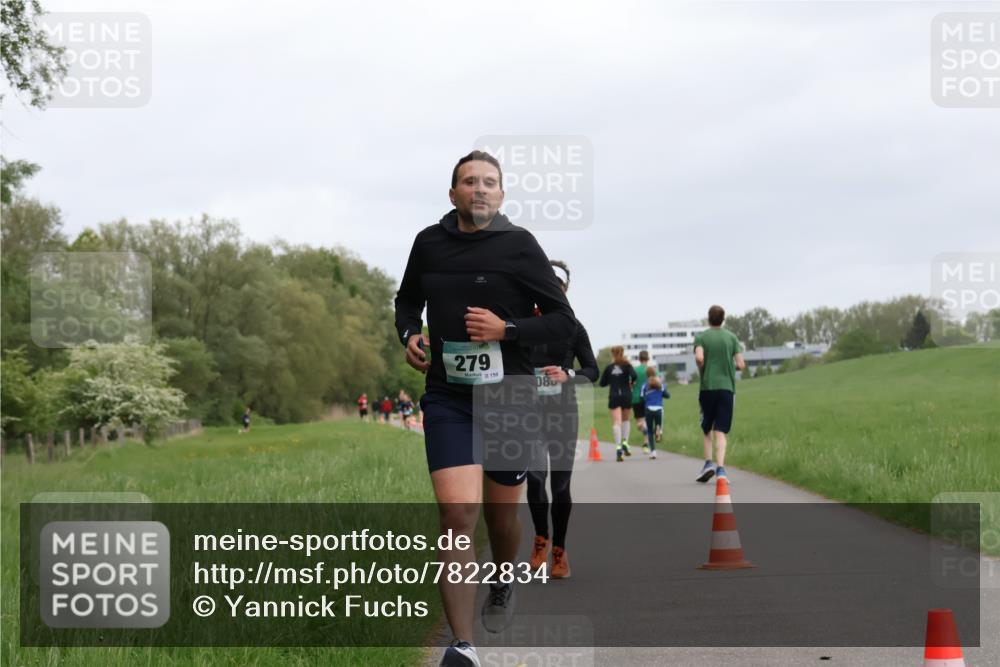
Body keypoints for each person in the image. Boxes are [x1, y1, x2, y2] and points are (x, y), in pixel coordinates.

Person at [394, 150, 576, 667]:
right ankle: (463, 645)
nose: (479, 189)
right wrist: (410, 334)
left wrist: (507, 330)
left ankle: (502, 576)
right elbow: (406, 300)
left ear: (501, 195)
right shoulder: (428, 244)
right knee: (456, 514)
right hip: (449, 395)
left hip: (510, 396)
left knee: (500, 516)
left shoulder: (520, 247)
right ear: (452, 194)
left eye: (489, 183)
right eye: (468, 181)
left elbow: (563, 323)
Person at [526, 260, 598, 580]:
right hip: (528, 411)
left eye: (555, 288)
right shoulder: (523, 324)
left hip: (563, 413)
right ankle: (541, 539)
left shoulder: (573, 327)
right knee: (535, 479)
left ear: (564, 290)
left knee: (560, 484)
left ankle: (560, 551)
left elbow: (593, 371)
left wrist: (567, 374)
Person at [693, 305, 746, 483]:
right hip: (727, 389)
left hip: (707, 388)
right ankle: (721, 470)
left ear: (709, 318)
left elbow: (699, 357)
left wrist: (702, 366)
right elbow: (741, 364)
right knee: (721, 430)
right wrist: (729, 367)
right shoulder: (731, 338)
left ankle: (708, 464)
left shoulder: (701, 337)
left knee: (707, 427)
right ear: (723, 319)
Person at [600, 346, 637, 462]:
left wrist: (612, 380)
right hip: (626, 395)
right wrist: (630, 383)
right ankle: (625, 441)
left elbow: (602, 383)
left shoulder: (609, 368)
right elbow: (634, 375)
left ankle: (618, 447)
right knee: (626, 420)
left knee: (617, 422)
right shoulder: (627, 365)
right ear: (622, 353)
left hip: (614, 395)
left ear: (612, 354)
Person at [639, 367, 669, 460]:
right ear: (655, 373)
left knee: (649, 431)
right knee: (658, 426)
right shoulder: (660, 384)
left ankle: (653, 452)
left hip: (648, 409)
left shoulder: (644, 385)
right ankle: (659, 430)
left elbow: (641, 397)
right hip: (659, 409)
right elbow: (667, 395)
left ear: (646, 375)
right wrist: (660, 394)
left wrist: (647, 399)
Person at [630, 350, 657, 453]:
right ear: (648, 358)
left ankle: (646, 444)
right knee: (646, 421)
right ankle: (647, 442)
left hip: (636, 398)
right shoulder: (651, 370)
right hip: (650, 398)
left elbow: (631, 383)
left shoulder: (635, 370)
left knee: (639, 423)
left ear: (639, 359)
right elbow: (658, 380)